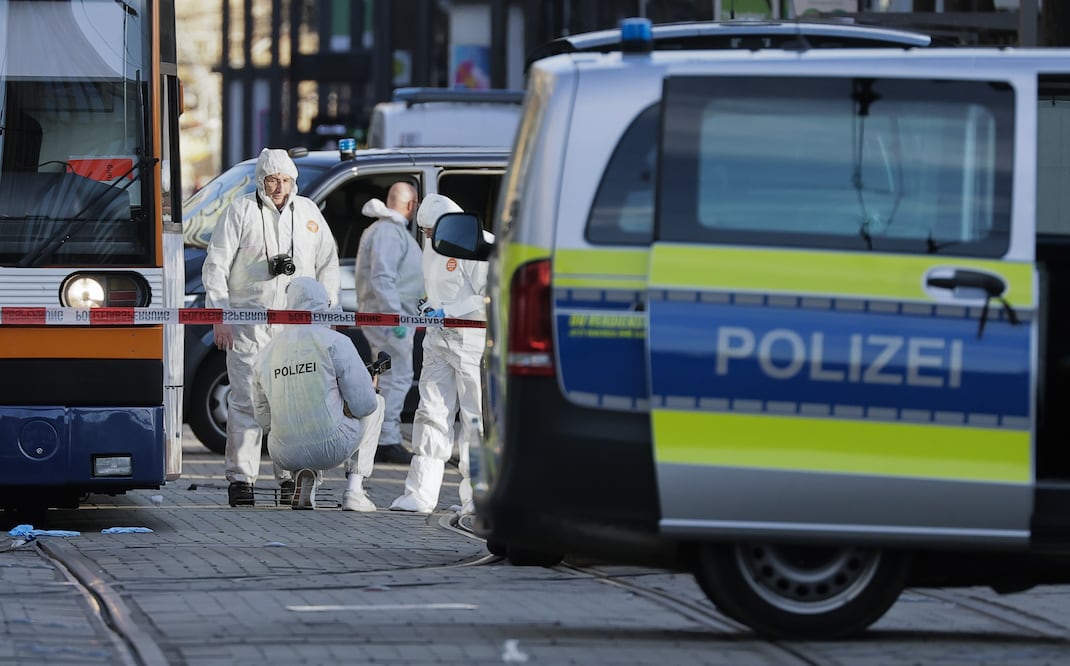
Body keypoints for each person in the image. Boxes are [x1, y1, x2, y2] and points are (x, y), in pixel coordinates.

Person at [202, 148, 341, 507]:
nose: (279, 187)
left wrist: (328, 313)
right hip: (249, 324)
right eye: (272, 180)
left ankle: (289, 477)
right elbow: (215, 265)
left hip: (297, 327)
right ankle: (242, 480)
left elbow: (328, 263)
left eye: (285, 180)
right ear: (260, 181)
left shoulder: (308, 213)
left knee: (291, 403)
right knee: (247, 400)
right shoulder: (241, 211)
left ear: (294, 181)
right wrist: (220, 315)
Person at [390, 194, 490, 514]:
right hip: (438, 341)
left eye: (432, 231)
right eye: (425, 232)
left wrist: (450, 310)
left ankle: (478, 496)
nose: (429, 238)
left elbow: (489, 297)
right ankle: (420, 493)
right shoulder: (434, 247)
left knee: (475, 421)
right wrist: (427, 304)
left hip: (472, 343)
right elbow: (430, 285)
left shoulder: (480, 246)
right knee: (431, 414)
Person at [252, 277, 385, 511]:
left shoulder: (266, 352)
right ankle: (355, 491)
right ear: (324, 304)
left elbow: (263, 419)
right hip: (330, 445)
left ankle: (304, 480)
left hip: (282, 452)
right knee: (378, 403)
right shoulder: (335, 342)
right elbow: (365, 404)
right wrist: (349, 405)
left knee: (301, 419)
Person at [354, 181, 423, 465]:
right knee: (397, 377)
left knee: (386, 377)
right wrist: (394, 317)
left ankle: (381, 435)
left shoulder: (386, 231)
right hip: (389, 321)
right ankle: (387, 439)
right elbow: (383, 278)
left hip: (391, 319)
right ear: (411, 205)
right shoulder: (389, 233)